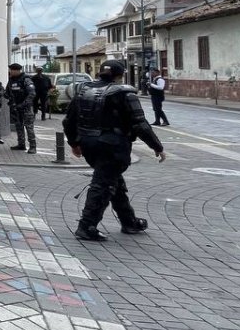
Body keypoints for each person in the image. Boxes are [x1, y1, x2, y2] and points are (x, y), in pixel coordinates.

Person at [63, 60, 165, 241]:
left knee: (113, 182)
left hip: (88, 144)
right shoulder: (124, 93)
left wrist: (74, 143)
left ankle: (129, 221)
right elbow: (140, 123)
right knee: (103, 185)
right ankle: (86, 225)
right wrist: (157, 146)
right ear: (120, 75)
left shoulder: (82, 90)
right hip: (112, 146)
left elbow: (69, 121)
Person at [5, 63, 37, 153]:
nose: (10, 72)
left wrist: (23, 104)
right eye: (10, 70)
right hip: (16, 107)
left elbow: (32, 94)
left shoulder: (26, 79)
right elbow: (7, 93)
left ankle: (33, 147)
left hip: (26, 108)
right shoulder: (11, 80)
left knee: (29, 127)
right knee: (19, 126)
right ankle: (21, 144)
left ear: (17, 70)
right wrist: (6, 96)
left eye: (11, 70)